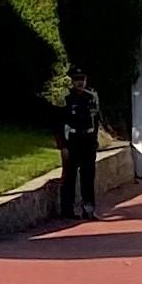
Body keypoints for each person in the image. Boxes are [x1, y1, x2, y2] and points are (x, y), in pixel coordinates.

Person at [58, 68, 103, 219]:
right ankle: (67, 210)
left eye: (82, 79)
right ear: (72, 81)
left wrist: (95, 140)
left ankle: (88, 209)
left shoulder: (91, 98)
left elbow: (96, 121)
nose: (80, 82)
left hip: (88, 140)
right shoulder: (66, 99)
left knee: (88, 176)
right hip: (73, 140)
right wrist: (63, 145)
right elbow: (58, 124)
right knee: (69, 176)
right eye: (77, 79)